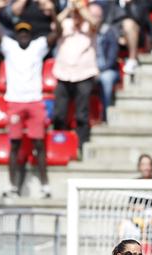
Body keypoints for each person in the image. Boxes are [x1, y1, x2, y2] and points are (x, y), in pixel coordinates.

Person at [0, 0, 61, 199]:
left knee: (38, 144)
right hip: (15, 101)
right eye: (20, 32)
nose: (24, 35)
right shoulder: (9, 46)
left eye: (26, 32)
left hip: (34, 100)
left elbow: (57, 33)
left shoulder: (38, 46)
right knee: (15, 144)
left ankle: (45, 185)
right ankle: (12, 186)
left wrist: (53, 13)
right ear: (16, 34)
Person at [52, 0, 100, 149]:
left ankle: (80, 145)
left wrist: (82, 9)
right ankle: (60, 144)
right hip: (63, 73)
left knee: (82, 114)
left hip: (84, 74)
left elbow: (95, 24)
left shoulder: (88, 25)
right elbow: (54, 25)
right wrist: (68, 10)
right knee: (59, 113)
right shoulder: (66, 24)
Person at [91, 1, 119, 123]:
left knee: (106, 79)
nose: (95, 20)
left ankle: (106, 114)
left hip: (105, 69)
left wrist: (99, 70)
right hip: (87, 69)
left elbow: (112, 58)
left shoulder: (108, 31)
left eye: (97, 16)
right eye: (92, 16)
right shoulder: (84, 31)